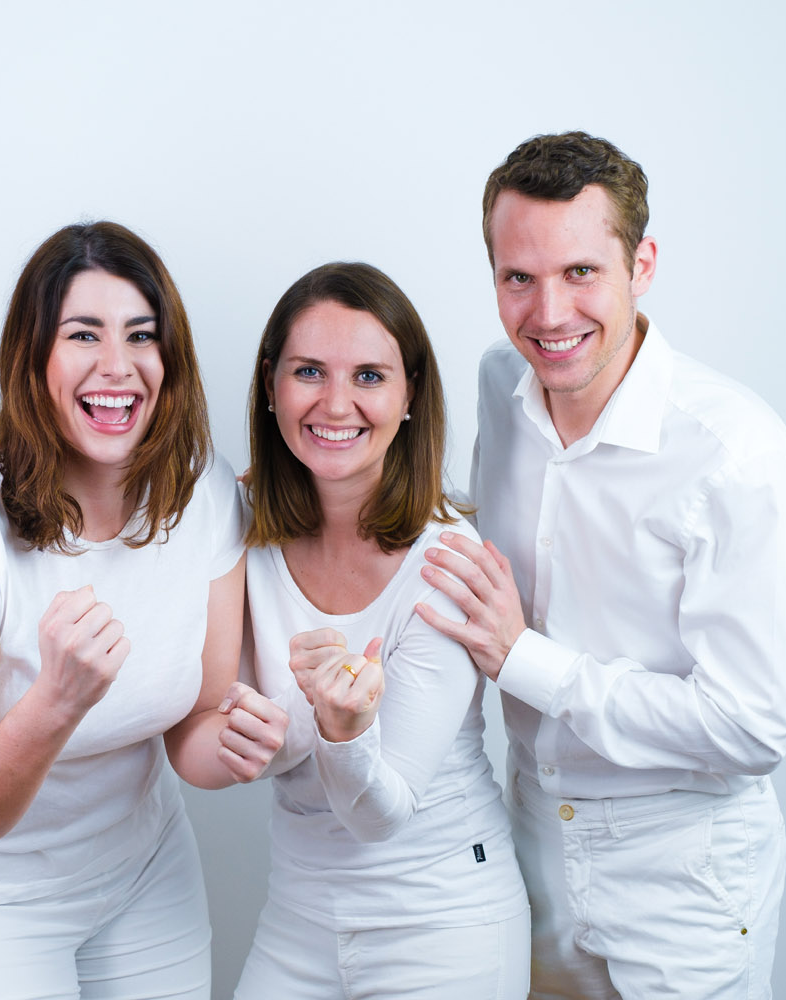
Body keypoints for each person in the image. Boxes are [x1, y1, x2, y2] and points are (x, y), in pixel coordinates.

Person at [417, 131, 786, 998]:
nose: (549, 313)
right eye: (517, 278)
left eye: (580, 273)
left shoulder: (734, 454)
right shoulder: (500, 382)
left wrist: (527, 660)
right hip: (525, 838)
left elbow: (752, 726)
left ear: (643, 264)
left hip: (683, 865)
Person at [0, 220, 288, 998]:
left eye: (141, 336)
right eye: (83, 335)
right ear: (35, 360)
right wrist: (55, 702)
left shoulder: (201, 493)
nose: (117, 367)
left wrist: (233, 745)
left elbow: (191, 726)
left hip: (143, 874)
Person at [234, 262, 531, 999]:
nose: (336, 403)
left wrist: (343, 729)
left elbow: (380, 813)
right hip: (299, 915)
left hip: (444, 925)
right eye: (309, 371)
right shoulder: (236, 530)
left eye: (369, 376)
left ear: (409, 398)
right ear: (271, 386)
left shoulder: (447, 563)